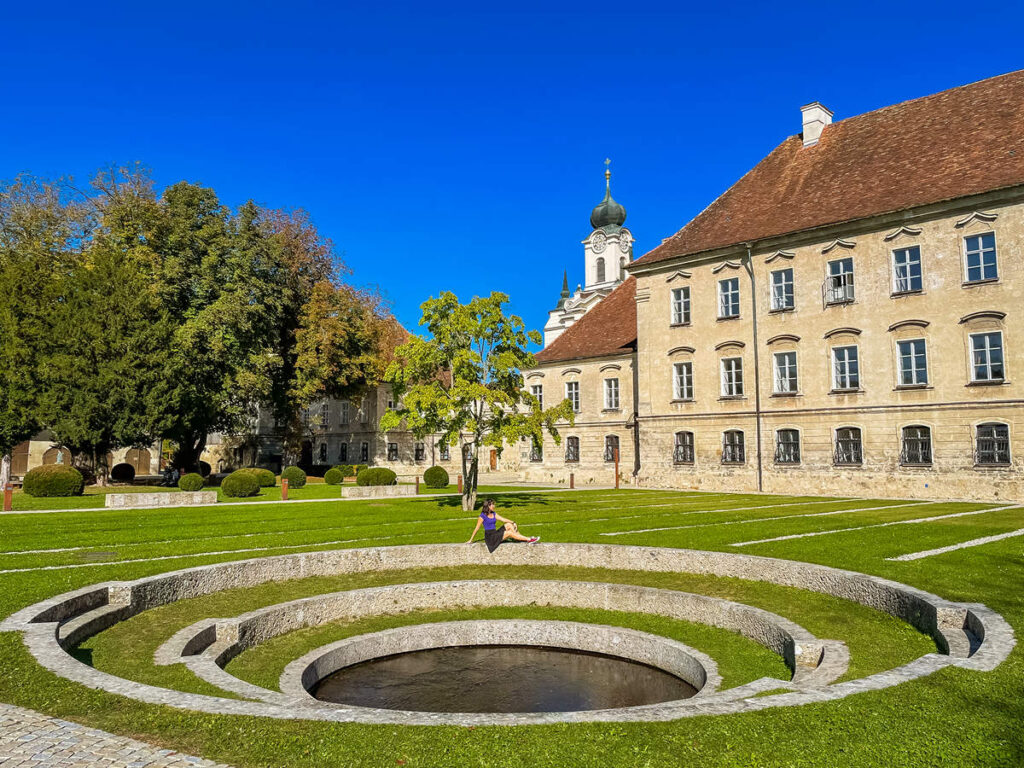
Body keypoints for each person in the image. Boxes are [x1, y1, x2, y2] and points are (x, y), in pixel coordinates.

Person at [466, 498, 539, 552]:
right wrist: (470, 540)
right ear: (488, 506)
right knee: (509, 533)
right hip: (491, 538)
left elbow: (503, 519)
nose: (494, 506)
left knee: (509, 525)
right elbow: (477, 528)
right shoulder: (482, 516)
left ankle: (519, 538)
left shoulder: (493, 513)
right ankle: (529, 539)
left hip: (495, 533)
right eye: (492, 504)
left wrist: (513, 522)